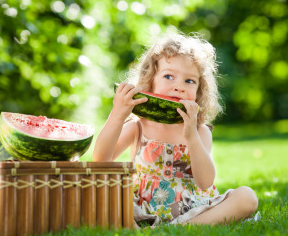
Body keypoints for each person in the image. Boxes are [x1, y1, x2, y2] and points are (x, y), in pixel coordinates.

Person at [93, 31, 258, 226]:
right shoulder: (139, 126)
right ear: (151, 80)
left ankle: (180, 227)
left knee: (247, 197)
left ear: (199, 91)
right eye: (169, 76)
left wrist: (191, 137)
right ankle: (143, 225)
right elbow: (101, 160)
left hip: (194, 210)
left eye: (189, 81)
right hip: (141, 209)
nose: (179, 86)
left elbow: (205, 182)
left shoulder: (200, 131)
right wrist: (117, 114)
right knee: (98, 190)